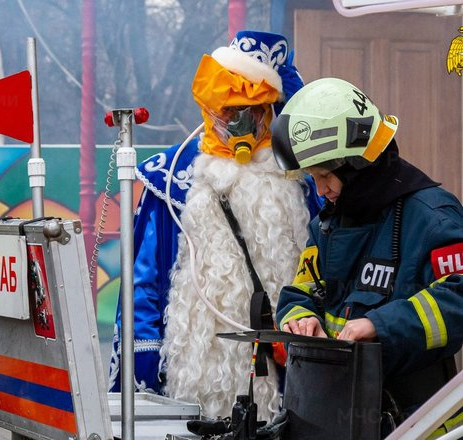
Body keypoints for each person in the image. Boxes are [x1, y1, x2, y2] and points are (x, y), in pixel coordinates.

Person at [109, 30, 322, 421]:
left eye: (248, 111)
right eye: (226, 110)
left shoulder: (303, 183)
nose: (235, 122)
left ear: (268, 111)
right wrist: (144, 366)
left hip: (285, 383)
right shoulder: (170, 179)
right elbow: (143, 284)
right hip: (193, 384)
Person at [272, 77, 463, 431]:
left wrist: (381, 325)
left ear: (356, 165)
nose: (320, 190)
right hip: (336, 414)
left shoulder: (432, 218)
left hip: (421, 420)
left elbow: (459, 297)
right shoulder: (327, 224)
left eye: (325, 175)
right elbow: (301, 290)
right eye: (312, 177)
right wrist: (300, 319)